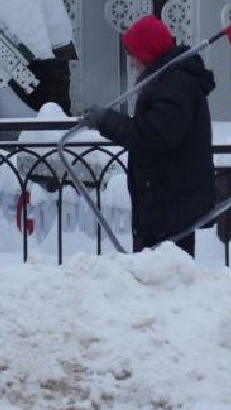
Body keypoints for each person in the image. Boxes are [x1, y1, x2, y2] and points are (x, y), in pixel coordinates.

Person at [82, 15, 215, 256]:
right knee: (159, 272)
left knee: (167, 276)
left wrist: (106, 120)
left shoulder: (175, 85)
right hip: (164, 197)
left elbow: (153, 135)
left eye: (133, 54)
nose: (132, 63)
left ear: (147, 52)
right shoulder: (169, 80)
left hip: (171, 201)